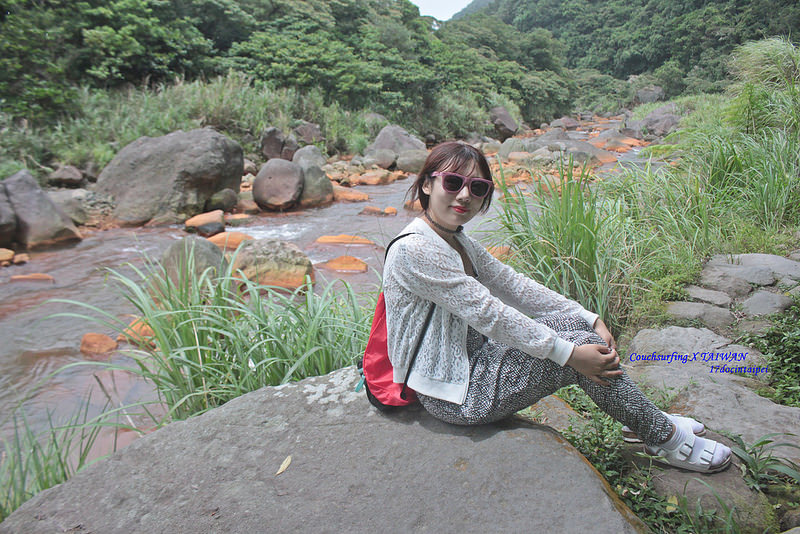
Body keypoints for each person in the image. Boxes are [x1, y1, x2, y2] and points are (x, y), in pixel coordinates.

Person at [382, 141, 731, 473]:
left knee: (579, 331)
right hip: (454, 393)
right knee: (578, 351)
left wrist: (586, 316)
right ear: (427, 184)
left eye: (477, 187)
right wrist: (570, 355)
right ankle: (664, 438)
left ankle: (642, 420)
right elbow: (490, 314)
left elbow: (513, 284)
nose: (464, 195)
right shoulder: (416, 250)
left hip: (475, 361)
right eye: (453, 182)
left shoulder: (456, 238)